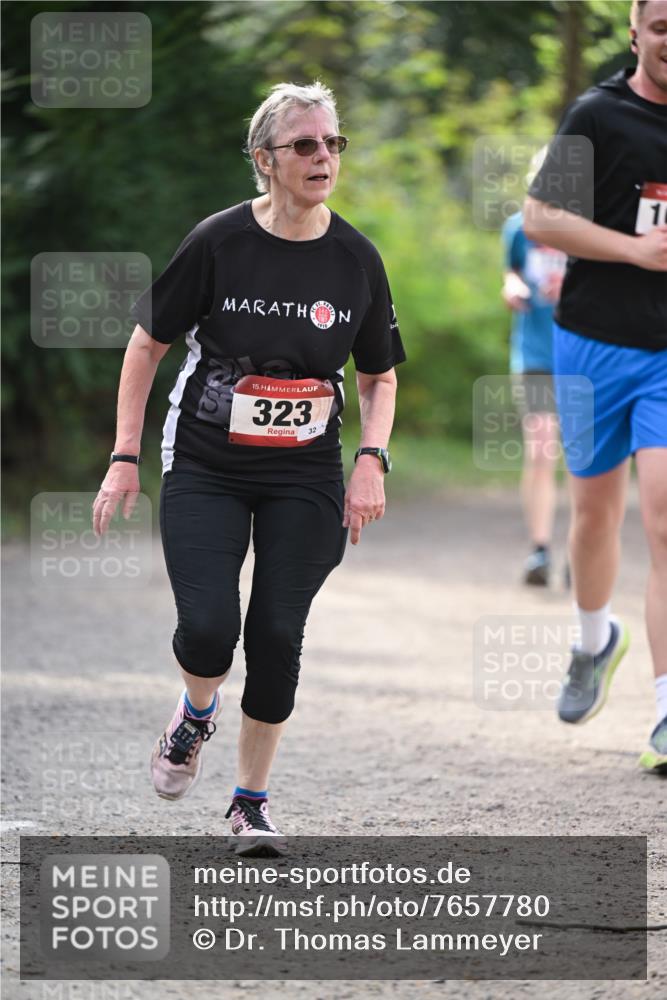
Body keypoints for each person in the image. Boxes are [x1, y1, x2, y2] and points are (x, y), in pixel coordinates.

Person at [92, 81, 405, 852]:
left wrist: (370, 459)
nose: (322, 156)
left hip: (305, 474)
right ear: (264, 159)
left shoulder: (356, 258)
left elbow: (378, 374)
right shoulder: (218, 241)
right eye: (304, 144)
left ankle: (250, 802)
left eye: (332, 143)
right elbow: (146, 345)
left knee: (275, 636)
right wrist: (123, 457)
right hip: (206, 462)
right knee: (207, 628)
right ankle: (195, 713)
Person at [524, 0, 667, 772]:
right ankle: (592, 640)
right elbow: (540, 217)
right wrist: (633, 251)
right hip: (590, 343)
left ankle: (666, 714)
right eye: (660, 24)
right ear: (635, 32)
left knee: (664, 517)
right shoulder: (597, 116)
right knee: (591, 515)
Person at [501, 190, 566, 586]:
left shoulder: (593, 229)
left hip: (584, 356)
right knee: (542, 448)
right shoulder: (518, 227)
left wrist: (572, 290)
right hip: (536, 356)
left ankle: (583, 544)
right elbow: (511, 270)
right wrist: (512, 287)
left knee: (582, 457)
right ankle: (540, 549)